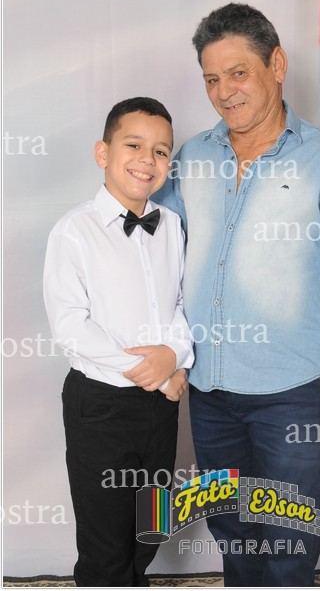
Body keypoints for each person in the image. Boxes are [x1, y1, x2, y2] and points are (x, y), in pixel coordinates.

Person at [152, 4, 320, 587]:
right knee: (232, 533)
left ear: (278, 65)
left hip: (290, 396)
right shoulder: (192, 158)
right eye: (211, 79)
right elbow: (153, 251)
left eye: (238, 73)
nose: (224, 92)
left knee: (290, 541)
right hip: (208, 393)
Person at [43, 97, 194, 587]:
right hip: (101, 406)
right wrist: (149, 371)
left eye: (161, 151)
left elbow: (180, 303)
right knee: (105, 538)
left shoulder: (171, 226)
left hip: (160, 407)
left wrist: (175, 358)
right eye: (134, 145)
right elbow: (71, 325)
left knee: (152, 525)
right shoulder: (74, 231)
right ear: (103, 153)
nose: (147, 160)